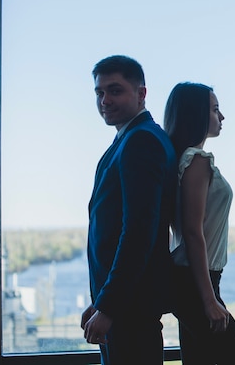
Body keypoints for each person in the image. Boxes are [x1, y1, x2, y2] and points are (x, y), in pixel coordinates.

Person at [81, 55, 177, 364]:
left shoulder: (141, 141)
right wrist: (101, 301)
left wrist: (109, 305)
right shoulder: (128, 139)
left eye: (115, 90)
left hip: (131, 308)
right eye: (99, 93)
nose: (105, 100)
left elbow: (138, 232)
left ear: (141, 93)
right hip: (125, 305)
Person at [164, 82, 235, 364]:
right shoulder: (197, 160)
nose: (222, 117)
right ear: (196, 115)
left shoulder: (180, 160)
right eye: (216, 110)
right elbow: (192, 232)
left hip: (192, 279)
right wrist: (208, 300)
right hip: (195, 282)